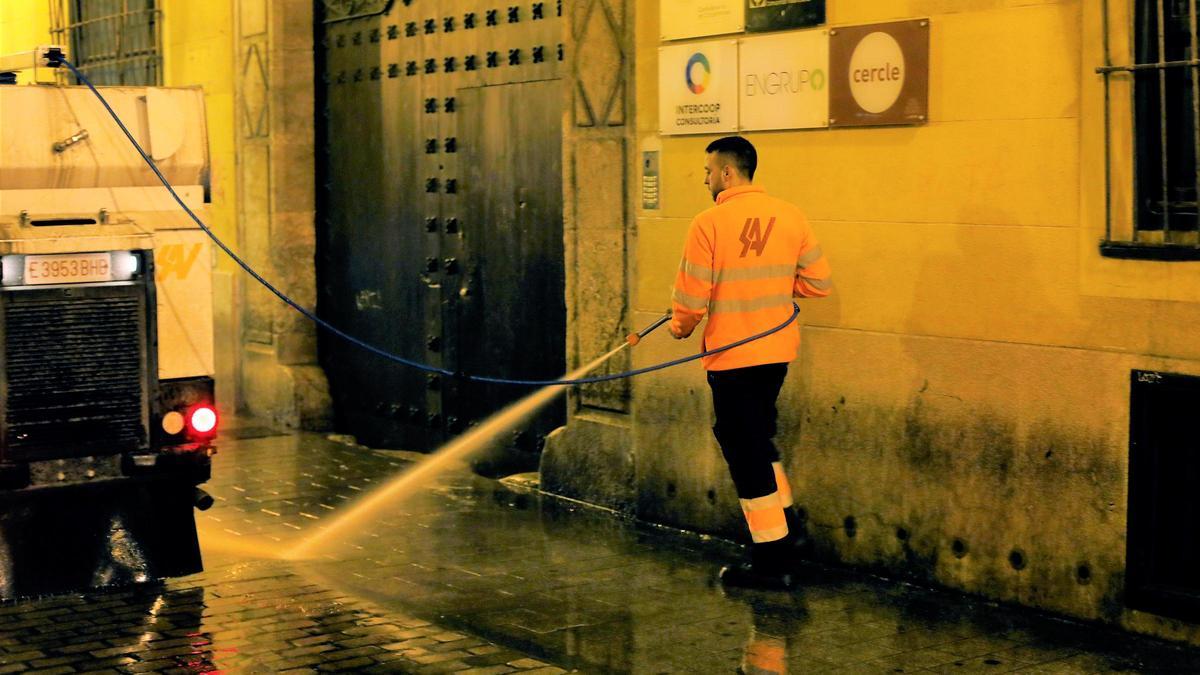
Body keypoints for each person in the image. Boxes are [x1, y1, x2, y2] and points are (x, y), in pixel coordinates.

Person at [669, 135, 832, 590]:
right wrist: (776, 286)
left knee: (743, 449)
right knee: (756, 436)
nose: (705, 179)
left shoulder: (709, 223)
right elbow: (818, 283)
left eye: (707, 172)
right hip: (776, 351)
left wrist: (679, 327)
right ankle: (787, 528)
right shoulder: (791, 215)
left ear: (726, 172)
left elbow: (692, 297)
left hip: (733, 354)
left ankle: (771, 559)